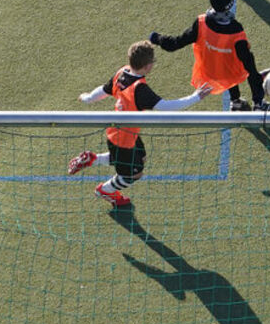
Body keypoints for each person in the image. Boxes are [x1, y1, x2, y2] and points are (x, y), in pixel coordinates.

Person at [68, 40, 213, 207]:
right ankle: (105, 190)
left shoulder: (122, 72)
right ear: (147, 66)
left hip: (126, 133)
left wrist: (88, 98)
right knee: (133, 175)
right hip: (122, 139)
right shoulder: (140, 89)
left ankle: (91, 159)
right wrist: (196, 97)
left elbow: (103, 90)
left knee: (140, 159)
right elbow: (167, 107)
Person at [149, 0, 270, 111]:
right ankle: (258, 104)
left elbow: (176, 43)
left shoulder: (200, 23)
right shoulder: (236, 30)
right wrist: (256, 82)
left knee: (224, 62)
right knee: (246, 67)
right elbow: (249, 65)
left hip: (209, 73)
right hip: (229, 73)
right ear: (230, 4)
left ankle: (236, 102)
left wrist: (157, 38)